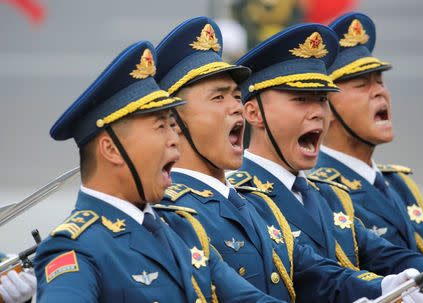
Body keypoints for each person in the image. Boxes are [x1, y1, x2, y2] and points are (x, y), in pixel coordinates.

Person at [153, 16, 423, 303]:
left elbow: (317, 272)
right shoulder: (171, 213)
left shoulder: (258, 205)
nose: (235, 107)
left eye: (236, 96)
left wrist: (390, 287)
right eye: (218, 98)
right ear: (174, 121)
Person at [33, 40, 285, 303]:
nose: (175, 139)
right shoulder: (76, 250)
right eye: (160, 127)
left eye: (173, 125)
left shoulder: (182, 229)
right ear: (111, 149)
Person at [313, 12, 423, 262]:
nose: (380, 92)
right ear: (325, 106)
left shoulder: (397, 184)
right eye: (362, 85)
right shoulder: (320, 190)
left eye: (380, 81)